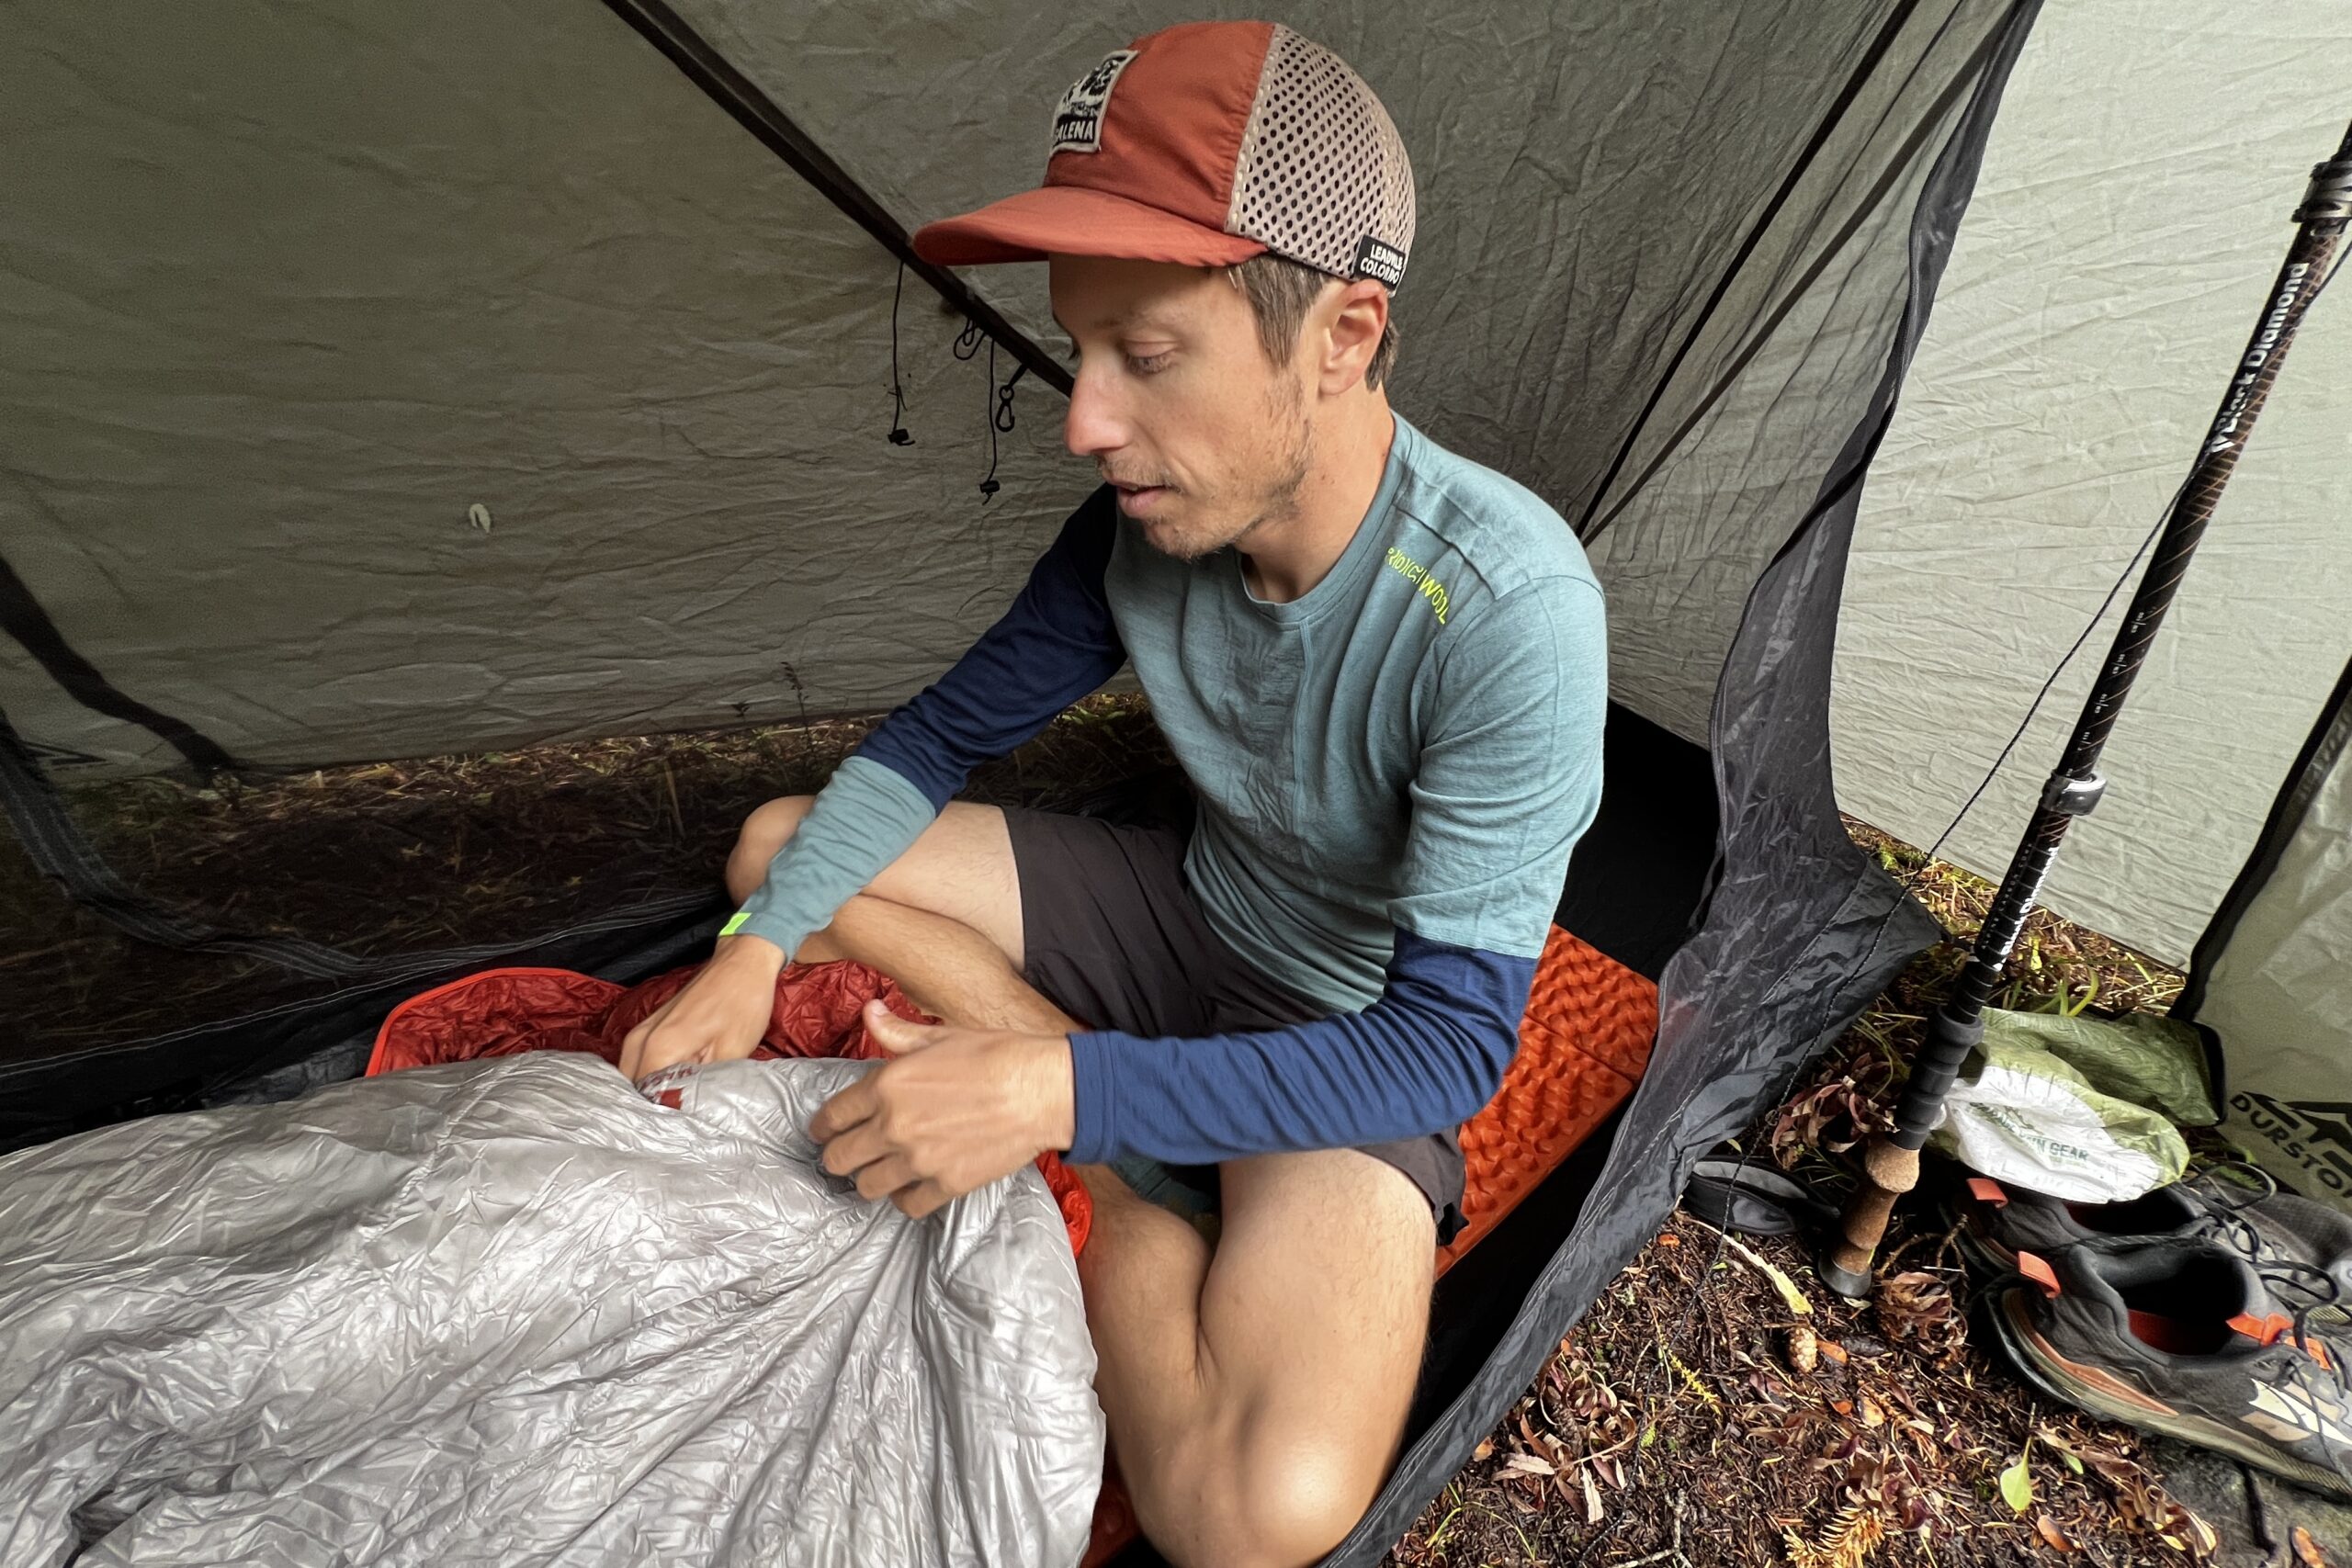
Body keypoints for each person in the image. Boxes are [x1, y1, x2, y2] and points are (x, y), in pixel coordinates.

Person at [618, 21, 1607, 1567]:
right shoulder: (1138, 530)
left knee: (1247, 1515)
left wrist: (1059, 1102)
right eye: (1079, 349)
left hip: (1343, 1028)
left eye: (1146, 357)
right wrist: (754, 951)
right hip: (1181, 914)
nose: (1085, 419)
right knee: (775, 856)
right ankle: (1088, 1080)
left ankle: (1128, 1178)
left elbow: (1453, 1046)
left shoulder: (1504, 610)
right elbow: (935, 744)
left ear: (1344, 335)